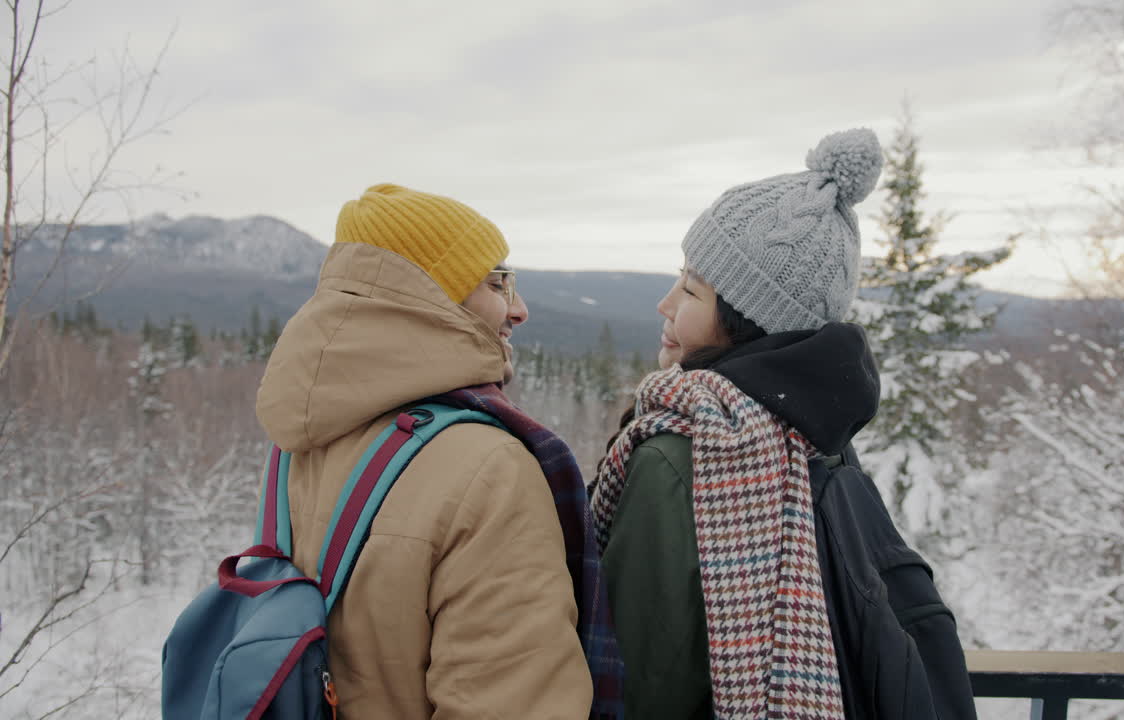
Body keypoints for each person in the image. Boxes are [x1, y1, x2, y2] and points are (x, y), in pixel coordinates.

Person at [591, 130, 976, 719]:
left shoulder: (682, 453)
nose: (666, 304)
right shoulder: (816, 435)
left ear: (747, 319)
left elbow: (644, 675)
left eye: (692, 289)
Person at [256, 183, 622, 719]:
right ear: (432, 296)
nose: (518, 308)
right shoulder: (485, 464)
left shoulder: (300, 440)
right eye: (498, 282)